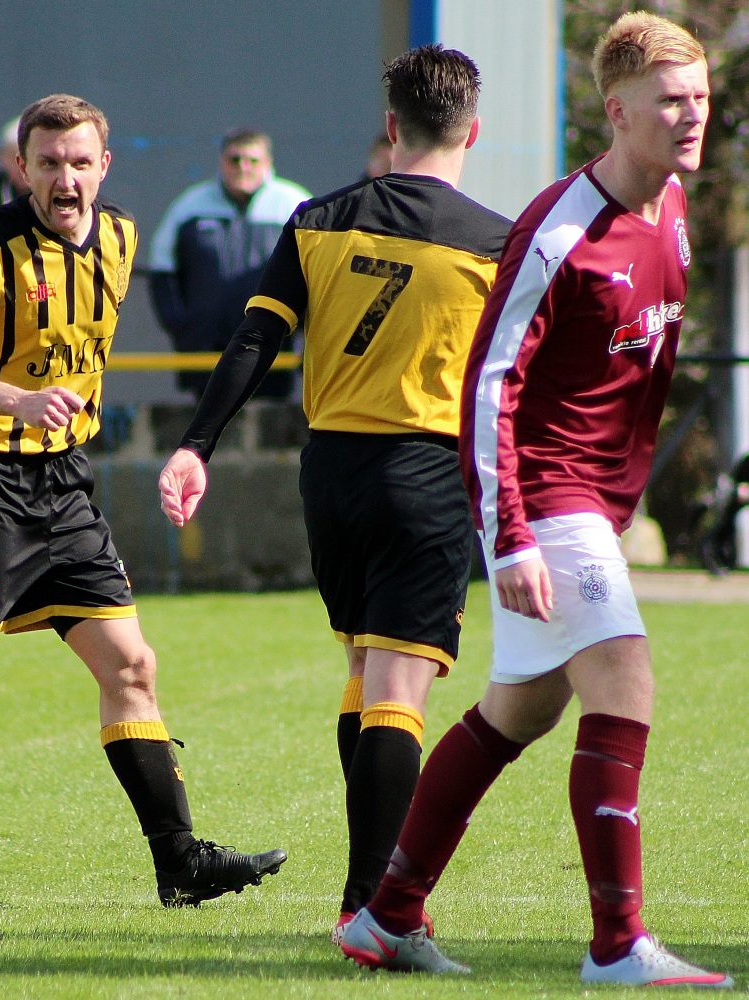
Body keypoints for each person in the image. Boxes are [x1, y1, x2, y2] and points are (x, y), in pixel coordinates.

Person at [340, 12, 734, 989]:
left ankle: (386, 915)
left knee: (519, 708)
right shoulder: (558, 231)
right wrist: (509, 535)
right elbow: (487, 384)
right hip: (542, 495)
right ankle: (616, 945)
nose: (689, 117)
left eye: (699, 99)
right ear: (616, 112)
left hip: (591, 504)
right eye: (667, 103)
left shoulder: (673, 206)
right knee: (625, 682)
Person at [0, 94, 286, 912]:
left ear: (104, 165)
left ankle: (179, 863)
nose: (64, 178)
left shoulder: (120, 237)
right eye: (47, 162)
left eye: (78, 162)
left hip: (65, 484)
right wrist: (14, 401)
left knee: (131, 665)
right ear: (22, 167)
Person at [158, 46, 511, 941]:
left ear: (390, 126)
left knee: (364, 673)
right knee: (399, 683)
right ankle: (376, 912)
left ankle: (365, 901)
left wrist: (196, 445)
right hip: (423, 473)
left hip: (332, 475)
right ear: (470, 130)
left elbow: (252, 340)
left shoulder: (316, 220)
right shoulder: (493, 242)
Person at [147, 127, 309, 399]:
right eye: (234, 159)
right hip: (206, 354)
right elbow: (161, 271)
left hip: (274, 350)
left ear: (268, 163)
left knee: (273, 433)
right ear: (222, 161)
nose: (243, 167)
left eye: (253, 160)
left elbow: (318, 273)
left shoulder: (294, 205)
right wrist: (183, 326)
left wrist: (303, 329)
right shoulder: (189, 206)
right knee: (207, 434)